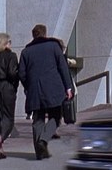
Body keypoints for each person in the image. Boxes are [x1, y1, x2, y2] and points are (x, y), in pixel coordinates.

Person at [18, 24, 74, 160]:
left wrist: (29, 86)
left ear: (33, 35)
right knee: (55, 116)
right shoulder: (53, 46)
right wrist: (68, 87)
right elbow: (63, 67)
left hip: (35, 90)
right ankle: (43, 140)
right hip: (54, 88)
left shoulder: (26, 52)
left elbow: (22, 74)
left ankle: (40, 152)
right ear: (45, 33)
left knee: (38, 119)